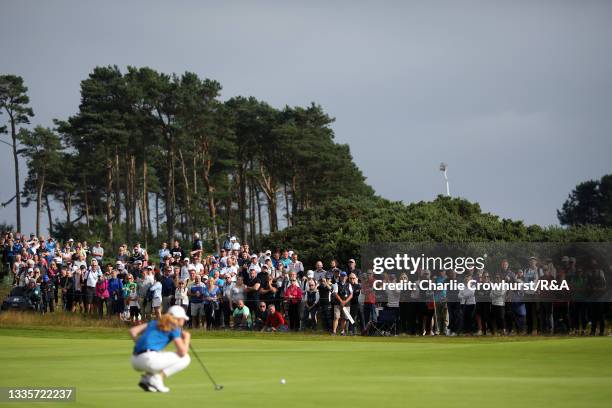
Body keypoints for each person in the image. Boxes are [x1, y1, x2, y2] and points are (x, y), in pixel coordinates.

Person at [130, 305, 191, 393]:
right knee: (186, 358)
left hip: (135, 361)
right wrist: (187, 338)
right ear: (177, 318)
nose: (184, 320)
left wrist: (140, 344)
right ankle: (157, 379)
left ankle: (147, 379)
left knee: (159, 354)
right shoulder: (174, 327)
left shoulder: (154, 322)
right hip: (148, 360)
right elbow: (182, 352)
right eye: (183, 318)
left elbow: (133, 331)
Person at [332, 271, 353, 335]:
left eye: (344, 276)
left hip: (346, 304)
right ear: (340, 277)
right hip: (338, 304)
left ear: (346, 277)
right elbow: (335, 293)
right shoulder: (336, 284)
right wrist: (341, 301)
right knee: (336, 317)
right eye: (342, 276)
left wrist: (345, 301)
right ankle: (334, 331)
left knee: (344, 318)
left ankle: (343, 331)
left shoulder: (349, 285)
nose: (343, 277)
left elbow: (351, 294)